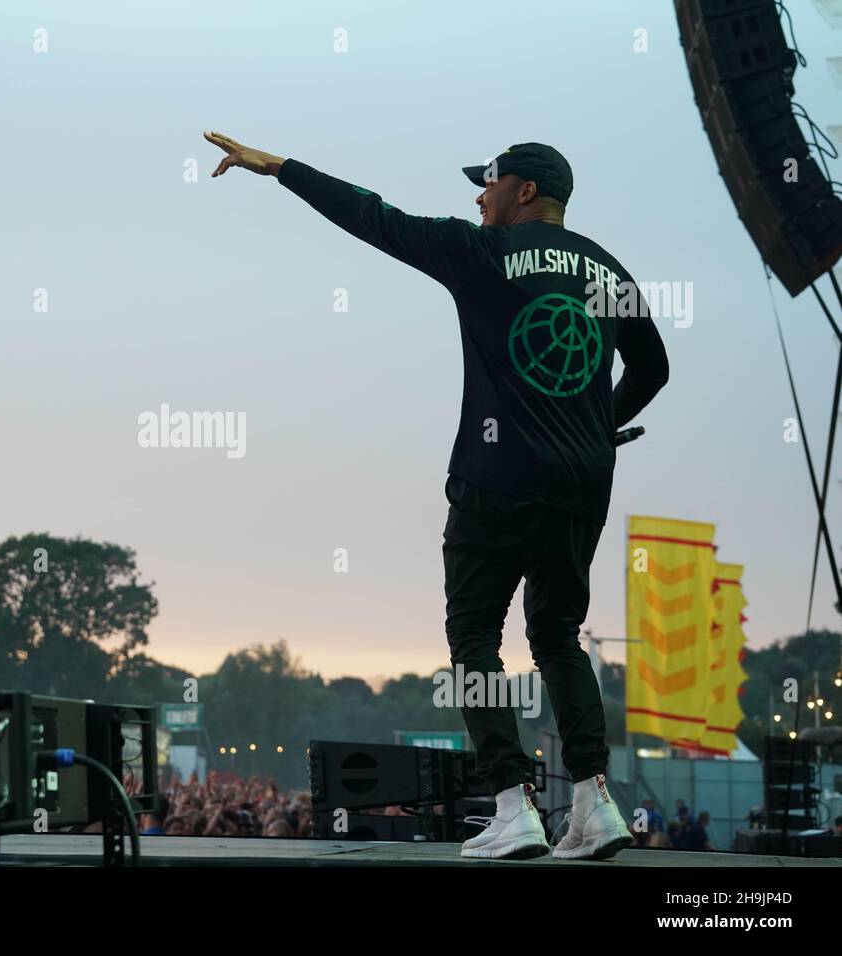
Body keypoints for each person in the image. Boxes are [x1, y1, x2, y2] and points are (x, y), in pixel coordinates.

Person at [205, 132, 669, 861]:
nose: (478, 196)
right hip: (582, 487)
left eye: (488, 183)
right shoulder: (609, 268)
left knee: (475, 639)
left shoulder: (481, 252)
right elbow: (653, 368)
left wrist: (282, 168)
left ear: (522, 192)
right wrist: (596, 427)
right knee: (557, 638)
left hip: (496, 479)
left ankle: (513, 805)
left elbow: (374, 217)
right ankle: (594, 804)